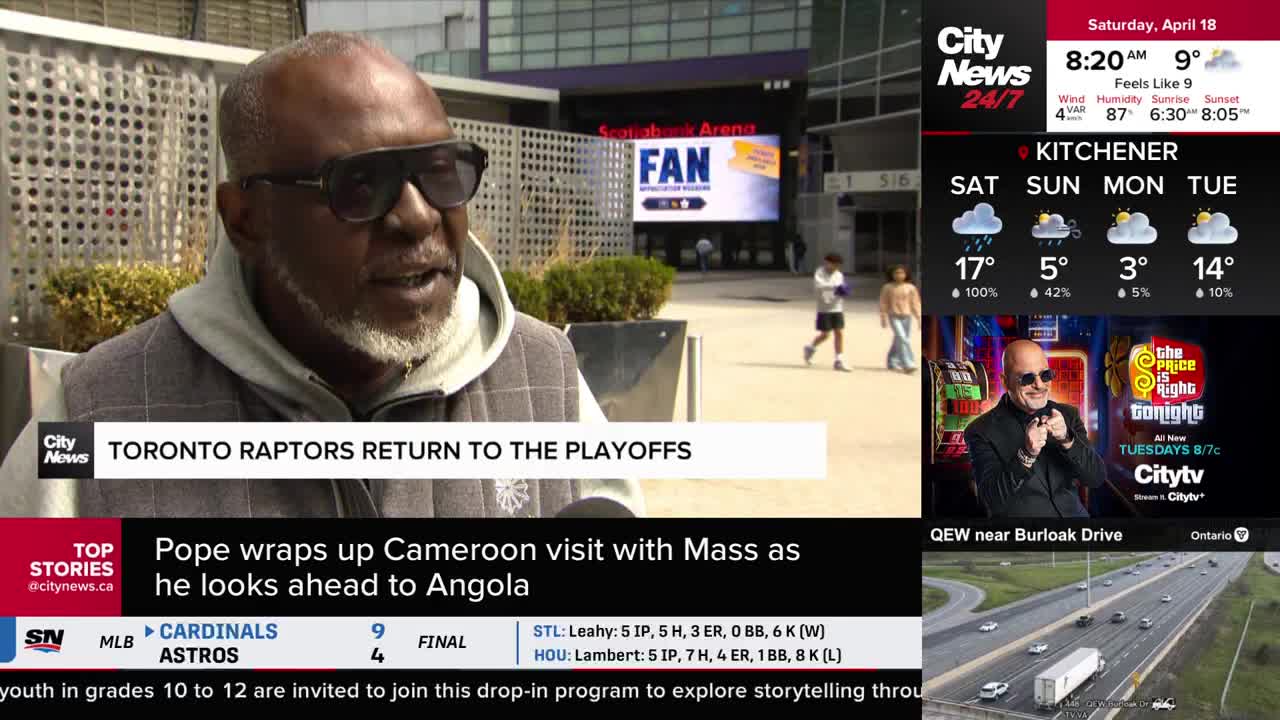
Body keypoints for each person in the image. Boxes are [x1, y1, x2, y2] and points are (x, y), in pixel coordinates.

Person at [0, 32, 643, 519]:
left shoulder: (547, 381)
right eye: (359, 183)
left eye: (440, 171)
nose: (418, 217)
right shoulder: (94, 418)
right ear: (245, 219)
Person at [963, 339, 1105, 518]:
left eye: (1045, 375)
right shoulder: (980, 430)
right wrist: (1026, 455)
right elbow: (991, 501)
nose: (1039, 385)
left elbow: (1096, 478)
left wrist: (1067, 439)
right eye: (1027, 378)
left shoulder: (1068, 414)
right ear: (1005, 382)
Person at [802, 253, 850, 372]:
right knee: (825, 334)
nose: (835, 267)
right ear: (827, 262)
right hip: (824, 308)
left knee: (839, 332)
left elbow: (840, 288)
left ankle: (839, 360)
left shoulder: (839, 275)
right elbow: (820, 287)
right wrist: (836, 287)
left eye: (837, 265)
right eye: (833, 264)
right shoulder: (819, 273)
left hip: (837, 307)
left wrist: (842, 291)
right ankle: (810, 347)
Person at [879, 265, 921, 373]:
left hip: (907, 316)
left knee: (899, 339)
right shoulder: (887, 287)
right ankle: (908, 363)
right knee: (902, 338)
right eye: (896, 273)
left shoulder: (910, 287)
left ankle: (891, 361)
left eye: (901, 273)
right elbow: (883, 302)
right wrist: (883, 317)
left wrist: (918, 317)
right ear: (892, 275)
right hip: (894, 316)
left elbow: (915, 303)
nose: (899, 275)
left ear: (906, 274)